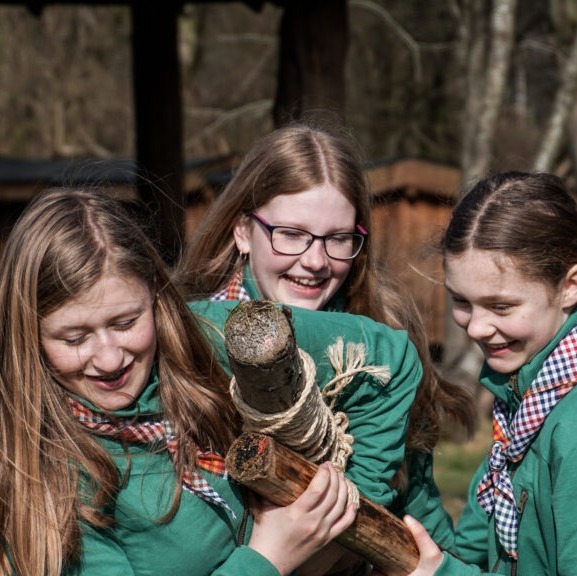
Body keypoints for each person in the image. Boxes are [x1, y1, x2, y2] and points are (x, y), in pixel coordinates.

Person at [0, 186, 359, 576]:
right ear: (29, 333)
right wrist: (269, 557)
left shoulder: (207, 344)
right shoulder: (49, 478)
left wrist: (356, 504)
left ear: (154, 292)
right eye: (75, 338)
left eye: (126, 323)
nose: (109, 359)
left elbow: (396, 357)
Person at [177, 122, 476, 553]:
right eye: (292, 235)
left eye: (338, 239)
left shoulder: (378, 343)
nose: (316, 261)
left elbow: (419, 504)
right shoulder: (184, 339)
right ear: (242, 231)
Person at [398, 171, 577, 575]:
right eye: (461, 301)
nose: (476, 328)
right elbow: (475, 545)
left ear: (570, 286)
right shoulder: (526, 405)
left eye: (501, 307)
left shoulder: (570, 425)